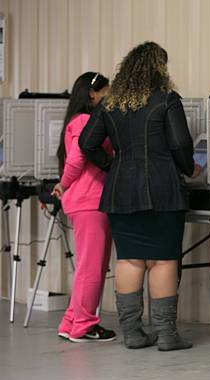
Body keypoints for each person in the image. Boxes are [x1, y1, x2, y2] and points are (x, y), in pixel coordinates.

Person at [79, 42, 202, 351]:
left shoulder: (111, 103)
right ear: (159, 68)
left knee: (130, 259)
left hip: (120, 191)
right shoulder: (166, 100)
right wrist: (190, 169)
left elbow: (86, 143)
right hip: (162, 189)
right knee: (163, 260)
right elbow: (179, 143)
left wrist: (113, 165)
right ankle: (166, 335)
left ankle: (133, 334)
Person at [53, 72, 117, 342]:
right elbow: (78, 158)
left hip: (86, 200)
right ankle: (85, 325)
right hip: (91, 199)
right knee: (92, 267)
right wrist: (63, 184)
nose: (110, 97)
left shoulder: (77, 120)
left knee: (87, 266)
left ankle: (71, 321)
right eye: (106, 92)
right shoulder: (84, 121)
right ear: (93, 95)